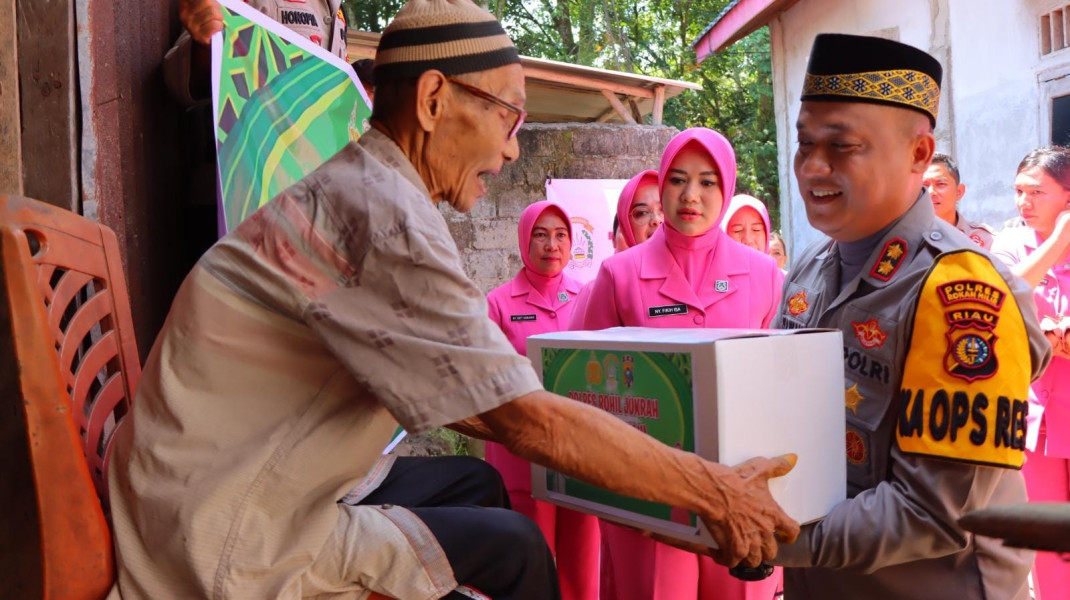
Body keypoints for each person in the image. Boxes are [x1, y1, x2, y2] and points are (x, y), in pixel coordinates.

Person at [106, 2, 800, 599]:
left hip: (196, 483)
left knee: (476, 486)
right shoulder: (384, 217)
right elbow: (527, 422)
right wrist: (714, 492)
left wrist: (673, 487)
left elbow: (484, 400)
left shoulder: (365, 189)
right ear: (435, 100)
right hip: (225, 530)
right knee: (517, 547)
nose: (509, 150)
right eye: (508, 116)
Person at [771, 33, 1050, 600]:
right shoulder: (809, 268)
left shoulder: (960, 290)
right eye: (804, 143)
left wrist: (769, 537)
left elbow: (933, 512)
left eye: (842, 146)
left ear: (919, 154)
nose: (813, 166)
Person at [581, 128, 785, 600]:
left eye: (708, 182)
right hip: (646, 488)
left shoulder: (763, 276)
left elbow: (778, 384)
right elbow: (585, 386)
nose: (691, 196)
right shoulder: (620, 274)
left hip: (738, 485)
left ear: (727, 187)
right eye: (677, 180)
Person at [484, 201, 599, 600]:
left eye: (561, 235)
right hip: (521, 453)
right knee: (530, 551)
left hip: (578, 447)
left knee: (582, 553)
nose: (552, 244)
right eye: (541, 234)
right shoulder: (498, 303)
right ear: (524, 240)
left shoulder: (587, 295)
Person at [990, 146, 1070, 599]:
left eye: (1037, 192)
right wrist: (1058, 241)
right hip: (1034, 415)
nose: (1024, 202)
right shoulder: (1008, 244)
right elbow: (1001, 298)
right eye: (1019, 191)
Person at [571, 169, 661, 329]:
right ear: (627, 230)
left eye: (665, 209)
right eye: (641, 213)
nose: (657, 220)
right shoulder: (601, 286)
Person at [923, 152, 996, 249]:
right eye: (924, 185)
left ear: (959, 192)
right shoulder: (905, 237)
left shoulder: (985, 239)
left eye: (940, 184)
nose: (931, 192)